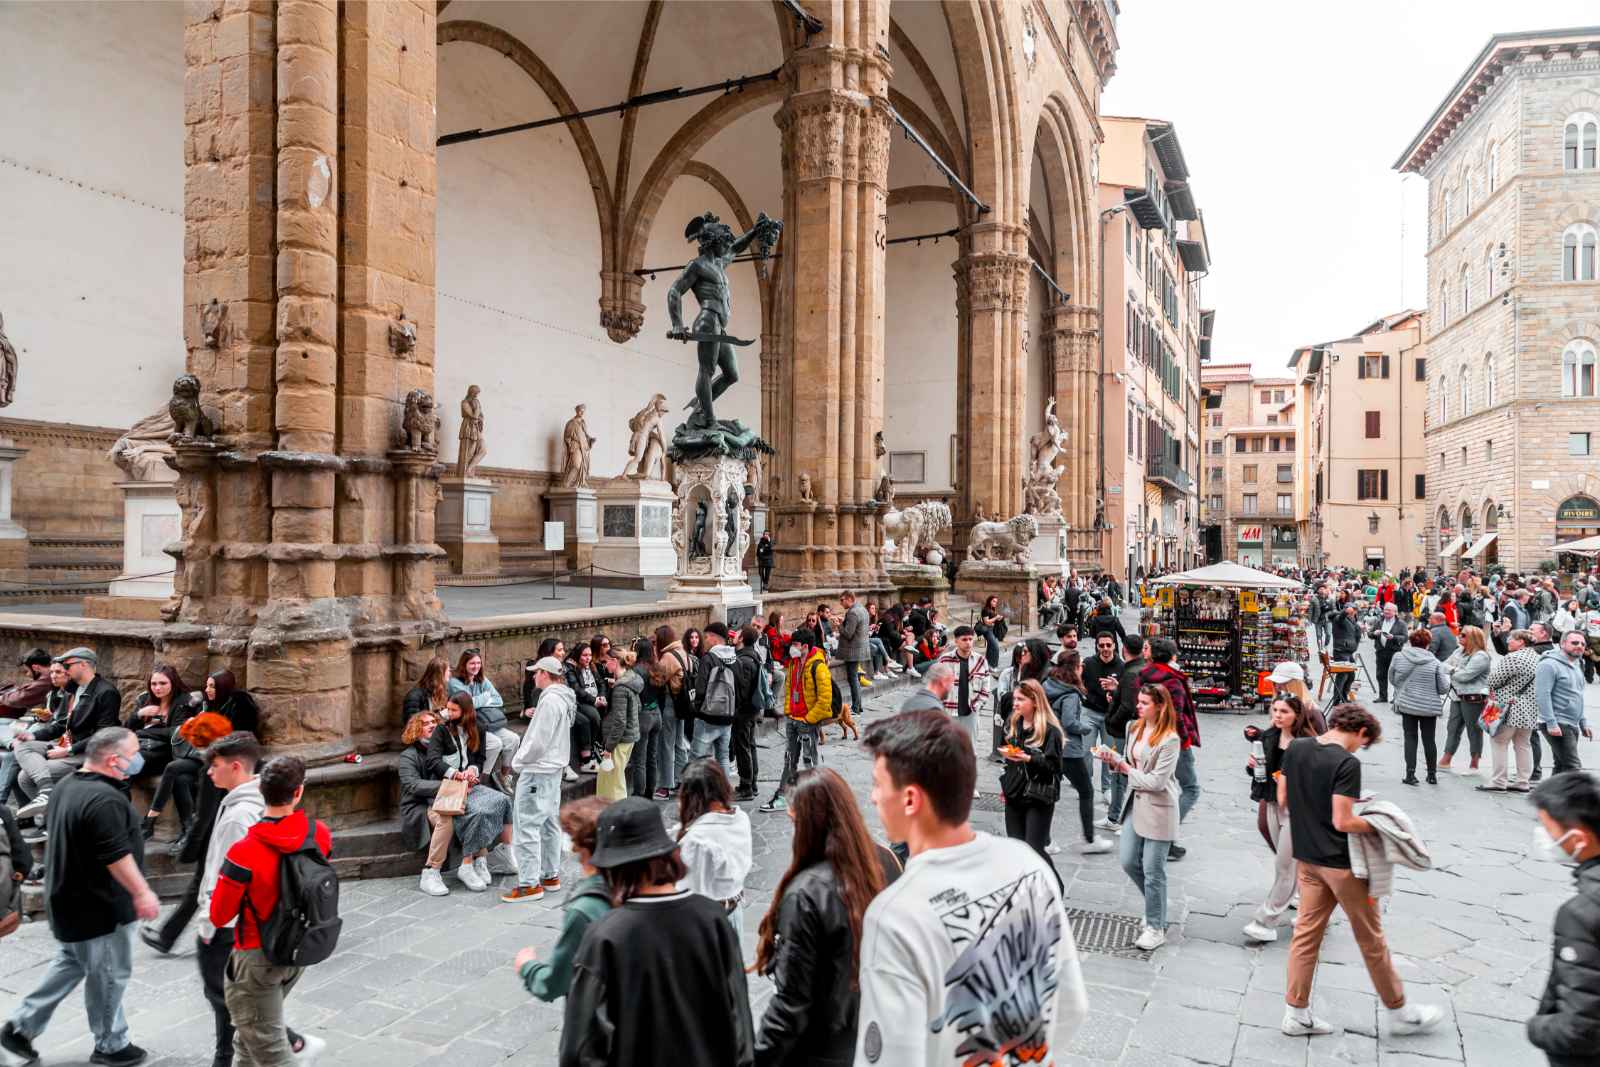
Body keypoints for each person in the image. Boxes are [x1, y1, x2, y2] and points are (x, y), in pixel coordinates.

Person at [854, 709, 1086, 1063]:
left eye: (877, 784)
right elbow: (1071, 1003)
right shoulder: (1028, 865)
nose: (872, 797)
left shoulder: (894, 916)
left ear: (911, 799)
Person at [1277, 703, 1445, 1038]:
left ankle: (1296, 1013)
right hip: (1342, 866)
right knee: (1372, 940)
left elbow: (1284, 799)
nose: (1360, 749)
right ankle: (1399, 1011)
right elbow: (1344, 821)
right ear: (1361, 732)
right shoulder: (1346, 763)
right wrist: (1376, 823)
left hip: (1307, 857)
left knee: (1305, 938)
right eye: (1363, 743)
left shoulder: (1296, 747)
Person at [0, 728, 160, 1067]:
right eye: (134, 751)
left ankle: (19, 1029)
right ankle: (111, 1044)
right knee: (109, 974)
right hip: (100, 909)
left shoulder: (67, 786)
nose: (139, 757)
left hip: (68, 902)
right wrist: (143, 892)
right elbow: (116, 856)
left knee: (70, 964)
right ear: (115, 760)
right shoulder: (105, 801)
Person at [558, 797, 754, 1067]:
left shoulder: (605, 936)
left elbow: (580, 1048)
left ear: (613, 868)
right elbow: (740, 1024)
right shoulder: (713, 920)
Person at [193, 733, 319, 1067]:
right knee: (246, 1037)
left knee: (266, 1045)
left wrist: (207, 925)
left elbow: (221, 912)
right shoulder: (315, 830)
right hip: (297, 940)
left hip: (253, 946)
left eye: (214, 766)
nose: (208, 772)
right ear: (299, 791)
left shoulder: (245, 841)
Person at [752, 768, 888, 1066]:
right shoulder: (882, 863)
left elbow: (791, 1003)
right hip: (867, 1036)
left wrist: (757, 1058)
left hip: (819, 1048)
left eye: (794, 818)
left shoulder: (806, 894)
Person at [1097, 684, 1182, 949]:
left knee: (1153, 870)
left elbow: (1157, 782)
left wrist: (1124, 768)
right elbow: (1131, 763)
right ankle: (1156, 902)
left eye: (1145, 703)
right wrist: (1113, 759)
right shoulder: (1133, 727)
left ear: (1159, 706)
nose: (1139, 706)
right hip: (1135, 804)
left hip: (1159, 809)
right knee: (1127, 860)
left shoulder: (1170, 739)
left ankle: (1156, 926)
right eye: (1139, 701)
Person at [1525, 771, 1600, 1064]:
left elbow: (1579, 1029)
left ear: (1579, 838)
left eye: (1546, 828)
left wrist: (1538, 1028)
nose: (1542, 836)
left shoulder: (1580, 915)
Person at [513, 796, 612, 1002]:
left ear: (582, 847)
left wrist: (528, 966)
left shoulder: (586, 908)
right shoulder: (635, 883)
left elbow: (555, 982)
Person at [1241, 695, 1321, 943]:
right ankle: (1314, 910)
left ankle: (1265, 920)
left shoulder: (1307, 743)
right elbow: (1259, 774)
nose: (1277, 715)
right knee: (1290, 863)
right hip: (1275, 804)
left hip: (1300, 809)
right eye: (1274, 710)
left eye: (1284, 711)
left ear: (1296, 715)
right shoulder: (1269, 737)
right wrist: (1251, 766)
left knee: (1285, 866)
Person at [13, 648, 123, 818]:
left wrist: (68, 751)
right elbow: (63, 724)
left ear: (84, 664)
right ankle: (49, 801)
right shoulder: (74, 689)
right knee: (21, 744)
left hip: (87, 752)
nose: (64, 669)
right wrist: (33, 736)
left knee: (25, 777)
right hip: (68, 743)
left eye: (67, 665)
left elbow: (104, 734)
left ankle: (51, 819)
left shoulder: (106, 692)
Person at [502, 656, 574, 902]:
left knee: (527, 825)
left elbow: (538, 741)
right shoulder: (564, 699)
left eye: (536, 672)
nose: (533, 676)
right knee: (549, 822)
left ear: (545, 673)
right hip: (553, 769)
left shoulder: (550, 701)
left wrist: (519, 761)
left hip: (538, 769)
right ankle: (550, 875)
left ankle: (529, 884)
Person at [425, 693, 514, 891]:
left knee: (504, 801)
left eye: (454, 710)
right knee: (477, 812)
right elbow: (432, 761)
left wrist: (472, 772)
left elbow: (479, 758)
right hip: (447, 786)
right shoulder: (442, 730)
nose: (449, 713)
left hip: (470, 785)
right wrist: (456, 774)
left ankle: (503, 853)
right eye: (448, 708)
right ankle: (470, 862)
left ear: (466, 712)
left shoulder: (478, 728)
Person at [675, 758, 753, 952]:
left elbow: (691, 893)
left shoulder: (697, 840)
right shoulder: (740, 818)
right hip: (733, 912)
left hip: (706, 926)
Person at [1040, 658, 1113, 857]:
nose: (1083, 669)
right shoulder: (1071, 694)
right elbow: (1070, 722)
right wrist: (1086, 727)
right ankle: (1089, 839)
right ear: (1074, 669)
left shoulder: (1048, 685)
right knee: (1086, 791)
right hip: (1069, 749)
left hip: (1049, 746)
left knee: (1050, 794)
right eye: (1081, 666)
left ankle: (1044, 840)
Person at [1138, 638, 1200, 860]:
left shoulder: (1144, 675)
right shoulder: (1173, 681)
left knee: (1162, 787)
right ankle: (1166, 838)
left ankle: (1151, 835)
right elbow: (1177, 716)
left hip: (1150, 738)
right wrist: (1184, 741)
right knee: (1191, 789)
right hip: (1172, 741)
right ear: (1173, 656)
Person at [999, 679, 1067, 884]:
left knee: (1034, 848)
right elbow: (1009, 760)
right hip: (1015, 793)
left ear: (1035, 701)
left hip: (1039, 796)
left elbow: (1055, 768)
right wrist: (1007, 781)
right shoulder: (1014, 722)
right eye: (1015, 699)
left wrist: (1029, 758)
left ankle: (1056, 886)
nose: (1015, 703)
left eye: (1021, 699)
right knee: (1017, 848)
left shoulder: (1050, 731)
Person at [761, 627, 829, 814]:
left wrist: (808, 719)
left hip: (807, 721)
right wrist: (789, 712)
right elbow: (791, 688)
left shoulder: (818, 666)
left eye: (795, 645)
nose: (792, 647)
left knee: (810, 761)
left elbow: (825, 699)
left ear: (805, 646)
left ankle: (817, 799)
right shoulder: (794, 662)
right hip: (793, 720)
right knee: (789, 760)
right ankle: (783, 796)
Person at [130, 665, 199, 839]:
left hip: (166, 752)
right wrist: (139, 714)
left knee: (126, 765)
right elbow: (126, 729)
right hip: (140, 747)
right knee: (119, 767)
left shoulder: (184, 702)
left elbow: (175, 734)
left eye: (162, 683)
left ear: (173, 683)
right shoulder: (145, 699)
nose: (157, 688)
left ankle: (144, 822)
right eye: (154, 684)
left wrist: (144, 731)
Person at [935, 625, 993, 796]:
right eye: (964, 640)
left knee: (970, 750)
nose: (968, 643)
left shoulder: (981, 661)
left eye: (970, 639)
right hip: (948, 711)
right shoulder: (944, 660)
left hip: (970, 712)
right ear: (956, 641)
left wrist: (977, 705)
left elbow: (986, 687)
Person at [1099, 634, 1148, 833]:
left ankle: (1115, 817)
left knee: (1119, 773)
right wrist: (1117, 690)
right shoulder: (1141, 668)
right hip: (1134, 728)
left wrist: (1111, 720)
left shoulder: (1130, 673)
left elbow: (1128, 706)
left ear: (1123, 650)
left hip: (1124, 730)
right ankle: (1118, 816)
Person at [1484, 629, 1543, 792]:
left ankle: (1498, 781)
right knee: (1523, 746)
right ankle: (1523, 781)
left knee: (1499, 743)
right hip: (1530, 710)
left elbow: (1493, 681)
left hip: (1506, 707)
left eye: (1511, 639)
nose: (1508, 641)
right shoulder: (1539, 659)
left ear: (1521, 642)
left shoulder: (1513, 658)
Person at [1389, 629, 1450, 785]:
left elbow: (1392, 679)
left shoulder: (1399, 656)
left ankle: (1410, 774)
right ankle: (1431, 775)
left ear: (1410, 641)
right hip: (1429, 706)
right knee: (1429, 739)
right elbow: (1443, 689)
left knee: (1410, 737)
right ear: (1428, 644)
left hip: (1407, 703)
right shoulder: (1436, 663)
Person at [449, 648, 515, 791]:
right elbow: (466, 705)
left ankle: (504, 775)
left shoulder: (482, 679)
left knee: (513, 739)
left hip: (488, 722)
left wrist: (477, 701)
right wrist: (484, 697)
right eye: (472, 663)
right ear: (464, 664)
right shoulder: (455, 683)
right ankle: (482, 779)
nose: (476, 666)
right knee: (495, 744)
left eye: (478, 663)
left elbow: (499, 700)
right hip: (469, 725)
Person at [1537, 631, 1593, 775]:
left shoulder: (1576, 664)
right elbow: (1542, 695)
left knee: (1562, 766)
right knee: (1573, 767)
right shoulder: (1549, 664)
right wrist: (1551, 722)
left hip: (1572, 723)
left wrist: (1583, 723)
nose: (1579, 646)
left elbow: (1578, 696)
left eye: (1582, 644)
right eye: (1574, 643)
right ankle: (1578, 797)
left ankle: (1549, 796)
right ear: (1562, 644)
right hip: (1558, 722)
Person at [1441, 626, 1491, 773]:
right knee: (1453, 727)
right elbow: (1443, 664)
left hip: (1473, 698)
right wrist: (1455, 670)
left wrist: (1452, 670)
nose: (1459, 637)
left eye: (1463, 635)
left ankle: (1474, 761)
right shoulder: (1459, 651)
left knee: (1473, 730)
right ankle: (1446, 757)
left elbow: (1465, 676)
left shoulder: (1481, 656)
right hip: (1457, 695)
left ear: (1472, 639)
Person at [691, 622, 739, 774]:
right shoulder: (734, 657)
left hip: (707, 717)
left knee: (697, 758)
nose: (705, 641)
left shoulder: (709, 658)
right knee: (723, 757)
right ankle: (723, 793)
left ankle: (694, 793)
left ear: (714, 638)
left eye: (706, 637)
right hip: (728, 716)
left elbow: (700, 689)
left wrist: (697, 710)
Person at [1081, 631, 1123, 799]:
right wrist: (1084, 692)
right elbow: (1079, 681)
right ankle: (1086, 784)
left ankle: (1107, 788)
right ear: (1097, 646)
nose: (1105, 648)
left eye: (1108, 645)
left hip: (1110, 716)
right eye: (1101, 645)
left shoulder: (1122, 666)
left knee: (1108, 754)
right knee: (1086, 751)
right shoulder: (1089, 663)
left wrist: (1116, 690)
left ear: (1114, 645)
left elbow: (1127, 691)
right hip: (1089, 712)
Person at [597, 645, 641, 802]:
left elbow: (620, 721)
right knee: (613, 778)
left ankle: (618, 815)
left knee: (614, 782)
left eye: (606, 662)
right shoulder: (631, 679)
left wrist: (608, 748)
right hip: (629, 737)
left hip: (619, 741)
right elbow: (638, 707)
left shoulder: (620, 688)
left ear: (614, 661)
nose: (604, 665)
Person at [655, 625, 693, 797]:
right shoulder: (682, 651)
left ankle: (665, 786)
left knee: (667, 745)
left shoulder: (669, 656)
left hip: (671, 703)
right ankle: (682, 780)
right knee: (679, 743)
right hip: (683, 703)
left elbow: (657, 680)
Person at [731, 624, 764, 800]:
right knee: (750, 746)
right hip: (752, 710)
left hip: (744, 712)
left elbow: (741, 691)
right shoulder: (754, 655)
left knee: (743, 748)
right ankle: (753, 783)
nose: (734, 635)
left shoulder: (743, 661)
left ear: (742, 638)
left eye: (737, 634)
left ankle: (746, 787)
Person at [629, 640, 665, 799]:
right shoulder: (657, 668)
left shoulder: (636, 670)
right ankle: (650, 792)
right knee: (652, 757)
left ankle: (639, 794)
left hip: (643, 715)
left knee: (639, 760)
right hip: (656, 713)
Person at [565, 642, 606, 775]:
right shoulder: (572, 668)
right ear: (578, 655)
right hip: (582, 702)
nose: (588, 658)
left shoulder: (592, 666)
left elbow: (601, 683)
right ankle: (590, 752)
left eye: (589, 655)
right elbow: (576, 689)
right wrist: (594, 700)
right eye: (584, 655)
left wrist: (602, 696)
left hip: (595, 699)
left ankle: (599, 747)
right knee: (593, 716)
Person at [836, 591, 870, 717]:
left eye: (842, 600)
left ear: (849, 599)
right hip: (860, 648)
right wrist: (844, 621)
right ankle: (858, 706)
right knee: (854, 677)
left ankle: (856, 707)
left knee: (853, 678)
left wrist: (839, 625)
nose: (841, 603)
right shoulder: (862, 609)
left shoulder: (853, 612)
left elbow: (848, 634)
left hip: (853, 650)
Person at [1371, 602, 1408, 704]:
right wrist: (1374, 633)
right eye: (1385, 609)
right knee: (1380, 675)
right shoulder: (1379, 621)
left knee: (1396, 675)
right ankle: (1383, 696)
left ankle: (1396, 697)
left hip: (1394, 653)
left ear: (1395, 612)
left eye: (1389, 610)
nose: (1386, 611)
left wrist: (1394, 637)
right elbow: (1370, 633)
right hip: (1380, 652)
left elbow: (1405, 638)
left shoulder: (1401, 624)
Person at [0, 649, 54, 718]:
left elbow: (21, 698)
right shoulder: (47, 677)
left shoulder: (48, 678)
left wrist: (2, 698)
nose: (27, 674)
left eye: (27, 671)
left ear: (35, 667)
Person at [1328, 605, 1361, 703]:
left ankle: (1343, 695)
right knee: (1343, 675)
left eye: (1354, 611)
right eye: (1352, 611)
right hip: (1341, 650)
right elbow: (1341, 617)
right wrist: (1345, 611)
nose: (1353, 613)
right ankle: (1337, 699)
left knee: (1351, 675)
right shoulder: (1339, 618)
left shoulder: (1352, 620)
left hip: (1348, 651)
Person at [977, 594, 1007, 668]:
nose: (995, 603)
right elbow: (986, 622)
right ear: (989, 601)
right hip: (987, 631)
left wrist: (999, 618)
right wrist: (996, 617)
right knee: (995, 647)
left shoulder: (992, 609)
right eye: (993, 601)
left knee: (990, 647)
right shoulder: (985, 610)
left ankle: (986, 664)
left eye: (996, 602)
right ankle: (994, 665)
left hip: (992, 630)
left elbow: (994, 619)